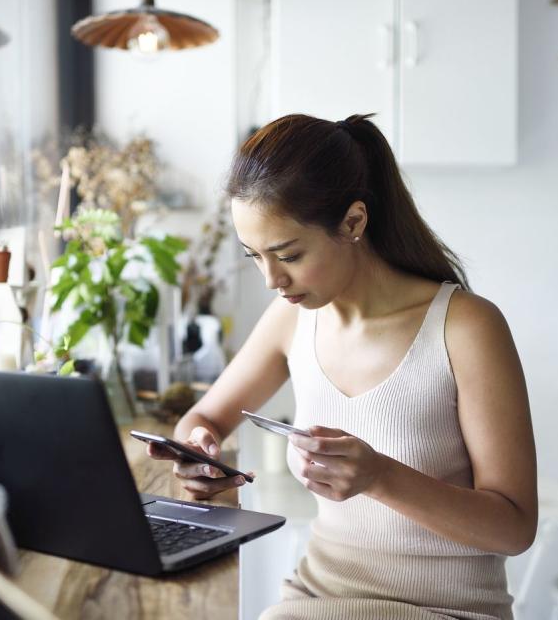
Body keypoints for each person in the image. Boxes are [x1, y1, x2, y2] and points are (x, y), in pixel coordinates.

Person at [145, 113, 537, 619]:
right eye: (254, 257)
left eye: (287, 254)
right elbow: (204, 419)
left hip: (448, 610)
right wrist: (200, 455)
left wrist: (380, 477)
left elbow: (514, 528)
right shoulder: (291, 320)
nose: (272, 280)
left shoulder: (465, 327)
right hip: (319, 596)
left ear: (353, 222)